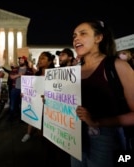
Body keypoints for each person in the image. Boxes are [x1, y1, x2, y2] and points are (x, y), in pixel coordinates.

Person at [71, 19, 134, 167]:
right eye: (74, 36)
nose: (76, 39)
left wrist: (97, 122)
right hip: (74, 137)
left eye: (83, 33)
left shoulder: (117, 66)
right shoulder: (73, 72)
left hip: (105, 139)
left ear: (98, 38)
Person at [21, 51, 55, 142]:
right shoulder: (36, 75)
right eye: (39, 58)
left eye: (43, 58)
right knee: (33, 118)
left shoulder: (55, 75)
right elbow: (32, 88)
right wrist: (25, 94)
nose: (40, 60)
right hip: (36, 101)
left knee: (45, 123)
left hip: (48, 103)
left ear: (50, 61)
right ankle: (28, 133)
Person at [8, 56, 34, 121]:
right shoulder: (15, 69)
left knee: (23, 104)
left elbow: (33, 78)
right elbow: (11, 77)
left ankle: (22, 117)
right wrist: (19, 75)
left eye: (22, 60)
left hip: (24, 90)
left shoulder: (29, 70)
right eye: (20, 60)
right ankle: (11, 117)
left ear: (25, 61)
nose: (20, 61)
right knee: (12, 104)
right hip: (15, 89)